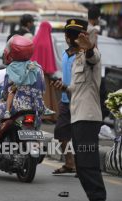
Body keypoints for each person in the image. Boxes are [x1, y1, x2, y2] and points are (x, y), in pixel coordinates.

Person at [52, 19, 107, 201]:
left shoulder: (91, 55)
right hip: (78, 118)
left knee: (87, 163)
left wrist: (89, 48)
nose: (74, 38)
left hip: (88, 119)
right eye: (71, 35)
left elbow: (94, 57)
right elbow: (76, 89)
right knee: (82, 166)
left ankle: (98, 197)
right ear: (67, 38)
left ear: (84, 36)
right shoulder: (76, 60)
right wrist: (64, 87)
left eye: (78, 35)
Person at [0, 35, 46, 154]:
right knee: (36, 120)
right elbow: (43, 88)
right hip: (36, 106)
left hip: (16, 108)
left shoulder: (12, 69)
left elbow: (6, 91)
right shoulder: (38, 68)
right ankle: (37, 143)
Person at [52, 27, 77, 175]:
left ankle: (81, 167)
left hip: (78, 100)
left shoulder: (82, 56)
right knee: (61, 132)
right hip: (65, 99)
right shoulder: (65, 53)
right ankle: (69, 163)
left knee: (79, 135)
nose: (66, 39)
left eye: (67, 36)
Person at [31, 21, 59, 123]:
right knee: (46, 94)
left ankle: (35, 113)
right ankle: (46, 116)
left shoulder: (35, 40)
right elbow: (49, 60)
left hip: (34, 75)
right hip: (45, 76)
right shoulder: (47, 42)